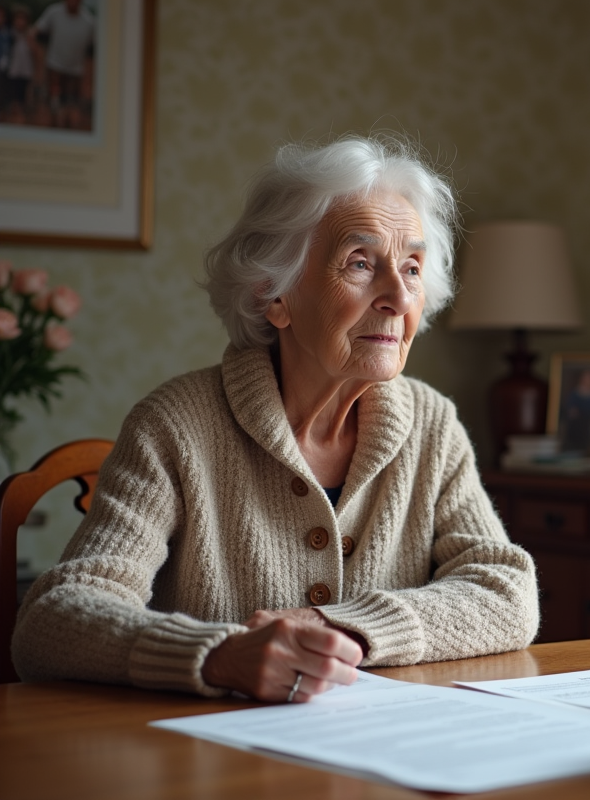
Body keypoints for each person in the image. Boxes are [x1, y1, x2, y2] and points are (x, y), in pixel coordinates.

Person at [12, 134, 540, 702]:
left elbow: (507, 592)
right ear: (274, 295)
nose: (396, 295)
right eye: (360, 263)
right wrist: (218, 655)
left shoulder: (433, 425)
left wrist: (345, 629)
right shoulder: (176, 427)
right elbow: (54, 620)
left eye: (412, 268)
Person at [34, 0, 94, 129]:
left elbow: (93, 53)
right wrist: (38, 64)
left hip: (76, 72)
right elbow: (36, 32)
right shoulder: (53, 12)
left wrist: (88, 80)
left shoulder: (89, 22)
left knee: (72, 109)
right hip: (54, 68)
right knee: (52, 107)